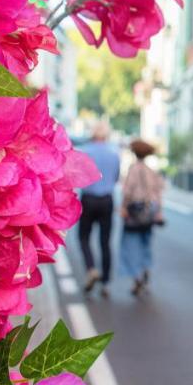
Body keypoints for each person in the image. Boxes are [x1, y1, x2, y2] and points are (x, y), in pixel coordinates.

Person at [78, 122, 120, 295]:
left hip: (88, 198)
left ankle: (91, 269)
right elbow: (116, 177)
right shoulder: (114, 153)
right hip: (107, 200)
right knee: (105, 241)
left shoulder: (85, 152)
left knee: (84, 237)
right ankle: (106, 283)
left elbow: (79, 176)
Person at [120, 139, 165, 295]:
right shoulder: (152, 171)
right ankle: (146, 269)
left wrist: (123, 207)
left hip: (135, 211)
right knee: (146, 242)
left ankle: (137, 277)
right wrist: (159, 212)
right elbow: (158, 192)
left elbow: (127, 191)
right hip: (149, 211)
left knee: (131, 245)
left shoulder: (133, 169)